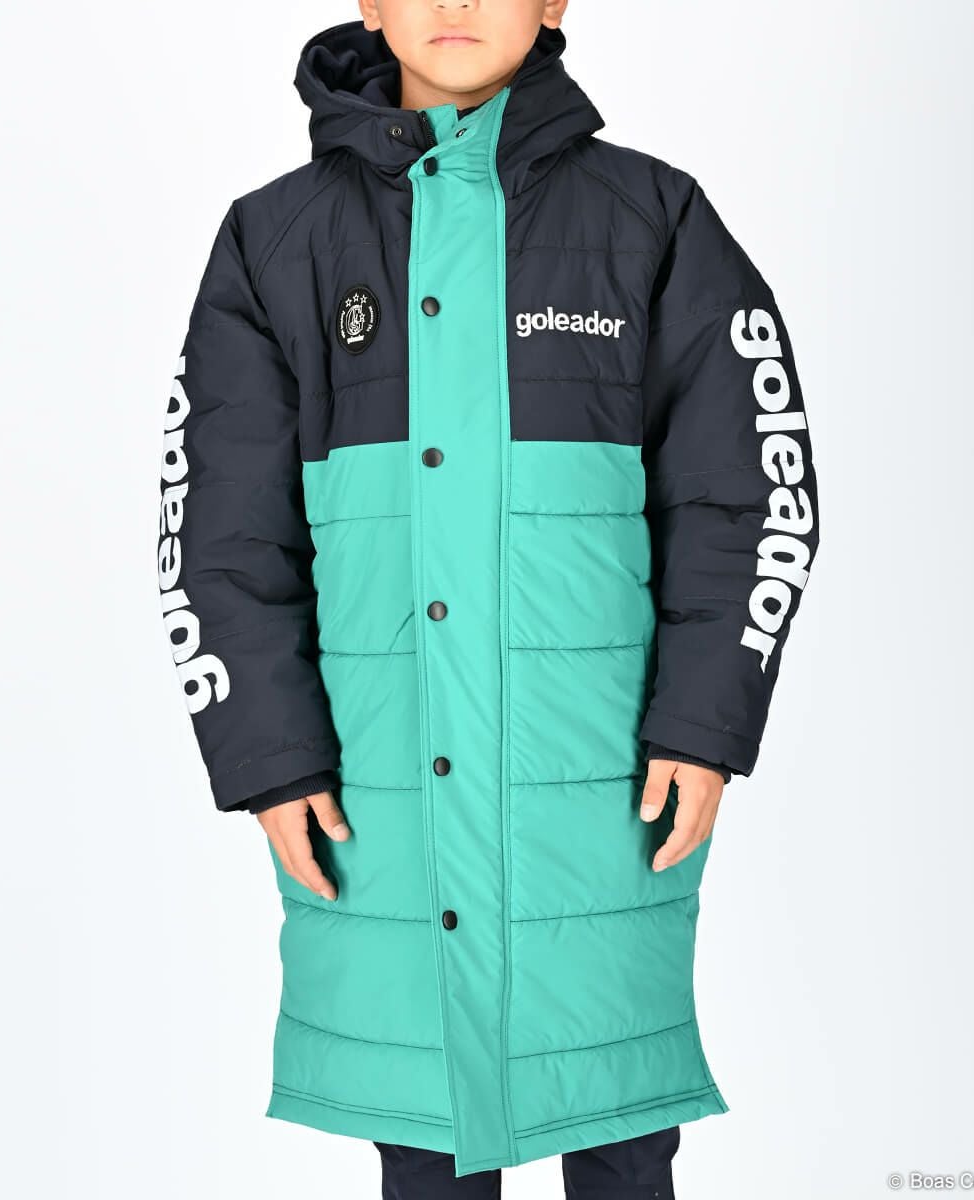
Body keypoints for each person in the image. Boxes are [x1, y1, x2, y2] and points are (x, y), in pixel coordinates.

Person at [156, 1, 819, 1195]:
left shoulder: (652, 218)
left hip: (602, 784)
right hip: (380, 788)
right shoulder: (275, 242)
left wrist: (702, 723)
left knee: (618, 1122)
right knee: (424, 1136)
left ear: (555, 0)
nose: (456, 1)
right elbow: (220, 533)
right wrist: (271, 759)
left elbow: (750, 493)